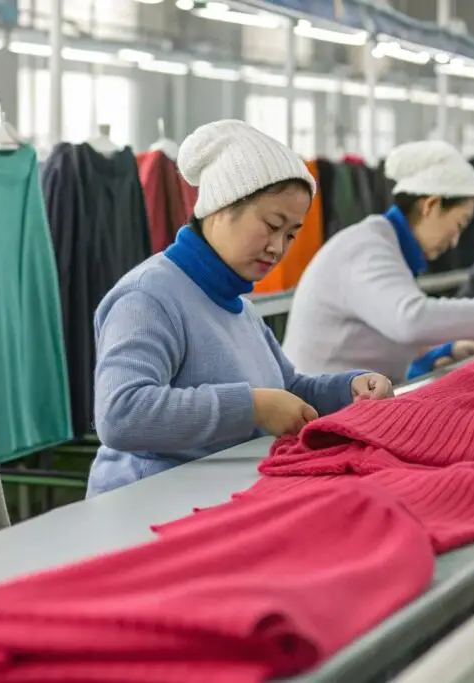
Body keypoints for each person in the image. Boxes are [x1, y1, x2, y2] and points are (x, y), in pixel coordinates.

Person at [86, 120, 394, 498]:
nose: (278, 248)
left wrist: (349, 388)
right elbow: (121, 414)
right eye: (271, 225)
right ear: (219, 207)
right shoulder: (148, 297)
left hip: (210, 498)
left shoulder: (238, 307)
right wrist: (251, 406)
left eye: (291, 234)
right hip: (142, 509)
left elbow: (289, 388)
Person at [283, 140, 474, 384]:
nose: (455, 241)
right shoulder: (367, 247)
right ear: (431, 206)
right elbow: (411, 319)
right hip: (316, 411)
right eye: (459, 224)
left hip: (352, 400)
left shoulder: (387, 246)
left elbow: (381, 327)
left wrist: (443, 350)